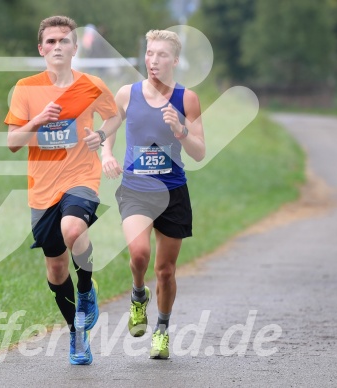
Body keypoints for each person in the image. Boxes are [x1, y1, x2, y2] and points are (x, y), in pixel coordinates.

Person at [5, 15, 121, 365]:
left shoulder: (91, 85)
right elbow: (12, 142)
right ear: (41, 49)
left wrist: (100, 137)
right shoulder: (26, 88)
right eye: (51, 42)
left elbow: (115, 117)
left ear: (74, 48)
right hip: (42, 190)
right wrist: (37, 120)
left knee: (74, 228)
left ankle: (86, 290)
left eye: (64, 41)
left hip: (81, 177)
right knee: (56, 269)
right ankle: (77, 333)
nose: (58, 46)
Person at [101, 29, 205, 359]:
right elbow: (108, 129)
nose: (153, 60)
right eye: (149, 53)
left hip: (173, 192)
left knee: (165, 271)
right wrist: (106, 154)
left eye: (161, 55)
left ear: (174, 60)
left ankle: (161, 330)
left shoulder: (186, 99)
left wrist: (181, 130)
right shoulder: (127, 94)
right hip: (136, 190)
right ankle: (137, 295)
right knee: (139, 255)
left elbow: (200, 151)